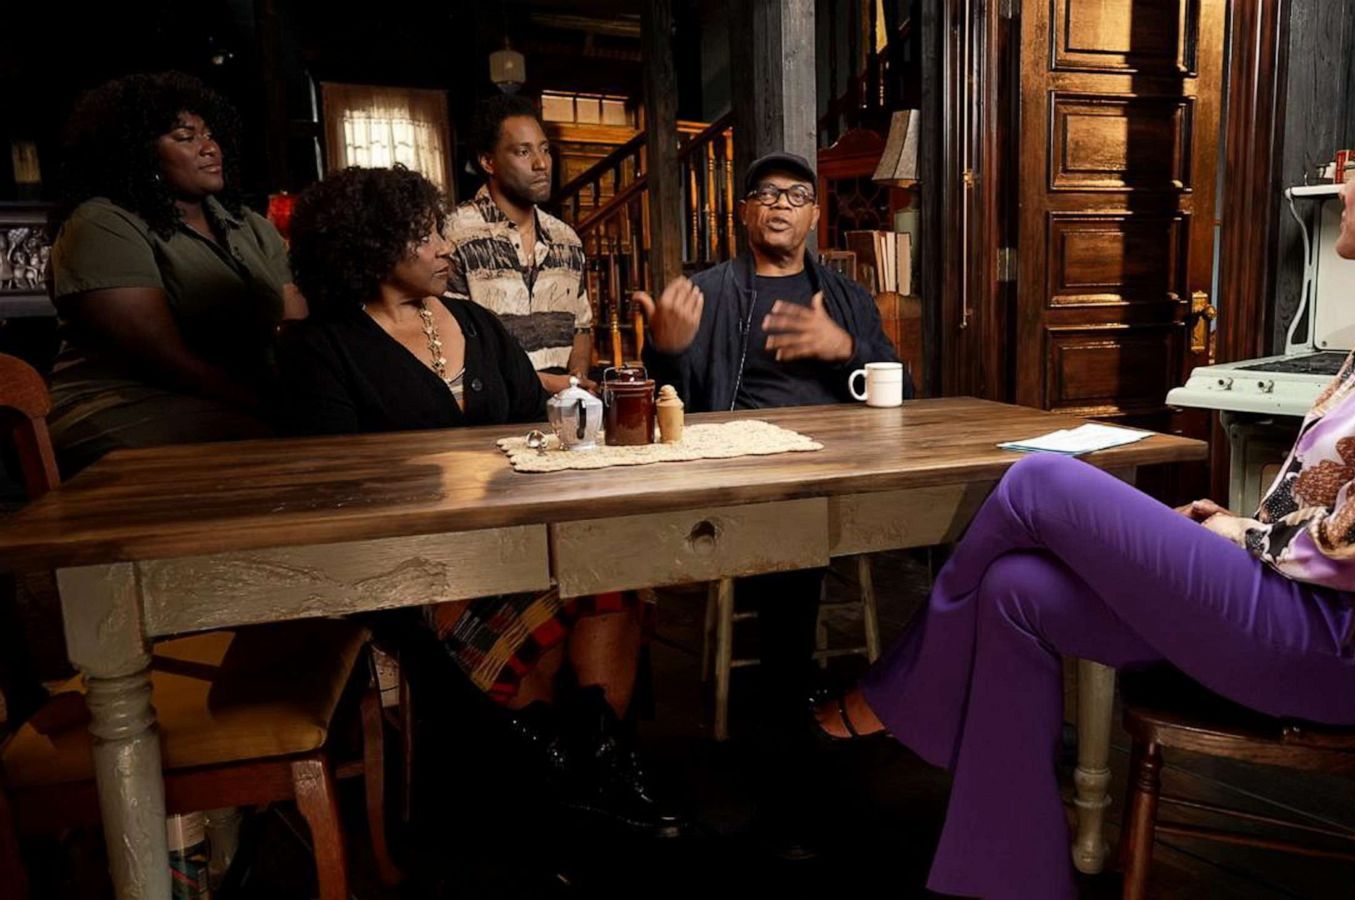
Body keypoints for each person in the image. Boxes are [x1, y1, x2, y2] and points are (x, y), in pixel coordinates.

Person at [813, 68, 1355, 898]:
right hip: (1307, 613)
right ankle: (1008, 877)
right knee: (1015, 586)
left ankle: (903, 693)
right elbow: (1345, 506)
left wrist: (1243, 536)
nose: (1344, 176)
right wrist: (1246, 529)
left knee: (1041, 485)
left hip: (1353, 653)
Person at [276, 165, 681, 837]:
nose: (445, 248)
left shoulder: (475, 322)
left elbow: (531, 426)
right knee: (540, 604)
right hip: (408, 560)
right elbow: (334, 487)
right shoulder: (323, 350)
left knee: (612, 572)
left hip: (513, 533)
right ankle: (555, 781)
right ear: (368, 246)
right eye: (425, 235)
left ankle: (595, 768)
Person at [635, 150, 910, 855]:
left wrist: (843, 346)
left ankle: (893, 699)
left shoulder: (844, 296)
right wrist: (663, 351)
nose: (782, 204)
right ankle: (793, 719)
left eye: (797, 194)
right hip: (749, 465)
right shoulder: (712, 291)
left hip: (843, 465)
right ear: (746, 213)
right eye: (766, 194)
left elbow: (898, 383)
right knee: (791, 538)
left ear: (815, 215)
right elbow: (678, 401)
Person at [47, 72, 304, 477]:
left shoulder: (249, 225)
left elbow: (295, 323)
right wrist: (265, 403)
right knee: (257, 445)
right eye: (186, 138)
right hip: (117, 403)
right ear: (138, 152)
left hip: (238, 401)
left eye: (210, 135)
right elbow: (161, 357)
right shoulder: (102, 223)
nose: (210, 148)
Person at [443, 95, 595, 395]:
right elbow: (454, 347)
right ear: (488, 162)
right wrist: (552, 386)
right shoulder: (455, 236)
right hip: (493, 412)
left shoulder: (566, 240)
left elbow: (581, 327)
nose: (541, 164)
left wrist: (575, 383)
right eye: (523, 152)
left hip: (560, 414)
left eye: (544, 150)